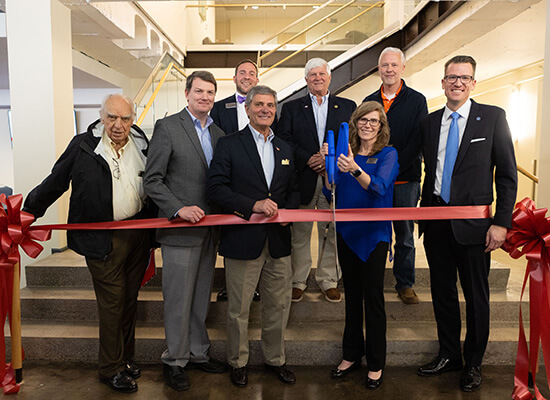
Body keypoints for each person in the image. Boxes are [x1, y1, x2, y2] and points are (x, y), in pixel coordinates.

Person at [23, 94, 153, 393]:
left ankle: (126, 358)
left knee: (129, 300)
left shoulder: (141, 142)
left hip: (138, 234)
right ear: (101, 116)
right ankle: (111, 368)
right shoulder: (83, 144)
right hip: (100, 238)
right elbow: (56, 180)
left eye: (124, 118)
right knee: (112, 303)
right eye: (111, 117)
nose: (117, 125)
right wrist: (30, 210)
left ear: (133, 119)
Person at [417, 55, 517, 392]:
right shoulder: (430, 124)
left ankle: (473, 362)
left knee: (476, 296)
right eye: (451, 77)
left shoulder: (492, 118)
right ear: (442, 83)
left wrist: (502, 223)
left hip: (475, 228)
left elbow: (506, 175)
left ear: (473, 83)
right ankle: (449, 354)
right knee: (442, 292)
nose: (457, 83)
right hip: (436, 223)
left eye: (464, 77)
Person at [206, 85, 300, 388]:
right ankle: (238, 362)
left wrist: (287, 213)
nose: (265, 110)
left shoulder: (284, 148)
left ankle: (276, 360)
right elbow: (216, 188)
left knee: (277, 306)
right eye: (259, 104)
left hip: (278, 241)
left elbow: (294, 190)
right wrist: (253, 205)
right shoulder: (229, 144)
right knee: (238, 309)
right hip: (243, 240)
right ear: (247, 109)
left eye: (270, 105)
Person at [143, 71, 227, 392]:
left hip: (209, 232)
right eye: (199, 91)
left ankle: (198, 352)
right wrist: (179, 208)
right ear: (187, 93)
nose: (205, 97)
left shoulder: (218, 134)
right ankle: (175, 359)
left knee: (200, 297)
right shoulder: (168, 128)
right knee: (178, 299)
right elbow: (152, 181)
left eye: (210, 93)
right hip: (179, 231)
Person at [320, 101, 399, 390]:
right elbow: (331, 189)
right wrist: (329, 165)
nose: (367, 125)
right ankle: (351, 354)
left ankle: (376, 362)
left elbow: (379, 188)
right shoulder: (345, 153)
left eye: (374, 121)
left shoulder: (388, 154)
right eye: (363, 120)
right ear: (355, 123)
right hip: (347, 232)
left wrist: (354, 168)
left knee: (373, 299)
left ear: (381, 126)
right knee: (352, 297)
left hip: (375, 235)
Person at [277, 58, 356, 303]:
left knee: (331, 230)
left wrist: (329, 161)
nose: (318, 78)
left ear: (329, 77)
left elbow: (352, 140)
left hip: (334, 179)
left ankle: (329, 280)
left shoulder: (347, 106)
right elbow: (284, 141)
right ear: (306, 80)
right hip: (302, 178)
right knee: (299, 233)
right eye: (313, 75)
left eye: (322, 74)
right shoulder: (291, 108)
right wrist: (309, 158)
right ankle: (298, 281)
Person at [363, 47, 428, 305]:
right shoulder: (369, 100)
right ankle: (372, 280)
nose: (389, 69)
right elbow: (363, 138)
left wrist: (393, 169)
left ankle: (405, 283)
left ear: (402, 68)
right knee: (375, 232)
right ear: (378, 69)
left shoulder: (417, 100)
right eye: (384, 65)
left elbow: (417, 140)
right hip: (374, 182)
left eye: (393, 65)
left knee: (404, 234)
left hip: (405, 179)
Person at [210, 59, 263, 302]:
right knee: (230, 234)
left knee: (259, 233)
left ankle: (257, 284)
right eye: (242, 73)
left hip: (259, 181)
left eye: (251, 73)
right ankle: (230, 285)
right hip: (230, 181)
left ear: (257, 79)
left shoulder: (266, 107)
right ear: (234, 78)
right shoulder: (219, 108)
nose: (246, 76)